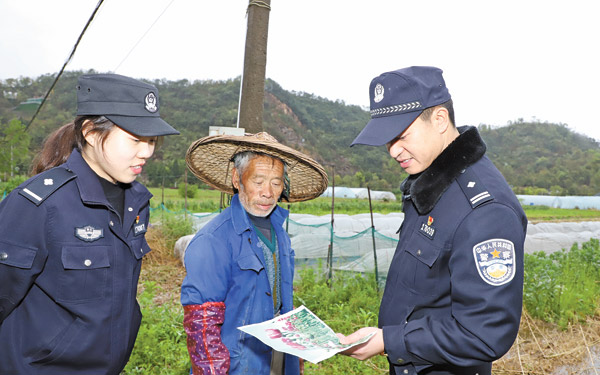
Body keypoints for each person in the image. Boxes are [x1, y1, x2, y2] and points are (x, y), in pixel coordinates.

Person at [337, 66, 527, 375]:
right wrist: (389, 338)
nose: (393, 151)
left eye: (401, 136)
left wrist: (391, 340)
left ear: (439, 119)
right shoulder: (430, 185)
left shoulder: (484, 210)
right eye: (387, 140)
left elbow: (484, 334)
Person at [0, 73, 179, 375]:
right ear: (92, 133)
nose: (147, 151)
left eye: (151, 140)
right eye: (135, 138)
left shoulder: (137, 202)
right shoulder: (39, 204)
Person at [181, 132, 328, 375]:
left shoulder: (279, 232)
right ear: (237, 179)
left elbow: (283, 302)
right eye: (258, 181)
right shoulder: (213, 240)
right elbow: (202, 328)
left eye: (276, 182)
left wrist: (298, 355)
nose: (268, 192)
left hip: (279, 357)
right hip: (238, 364)